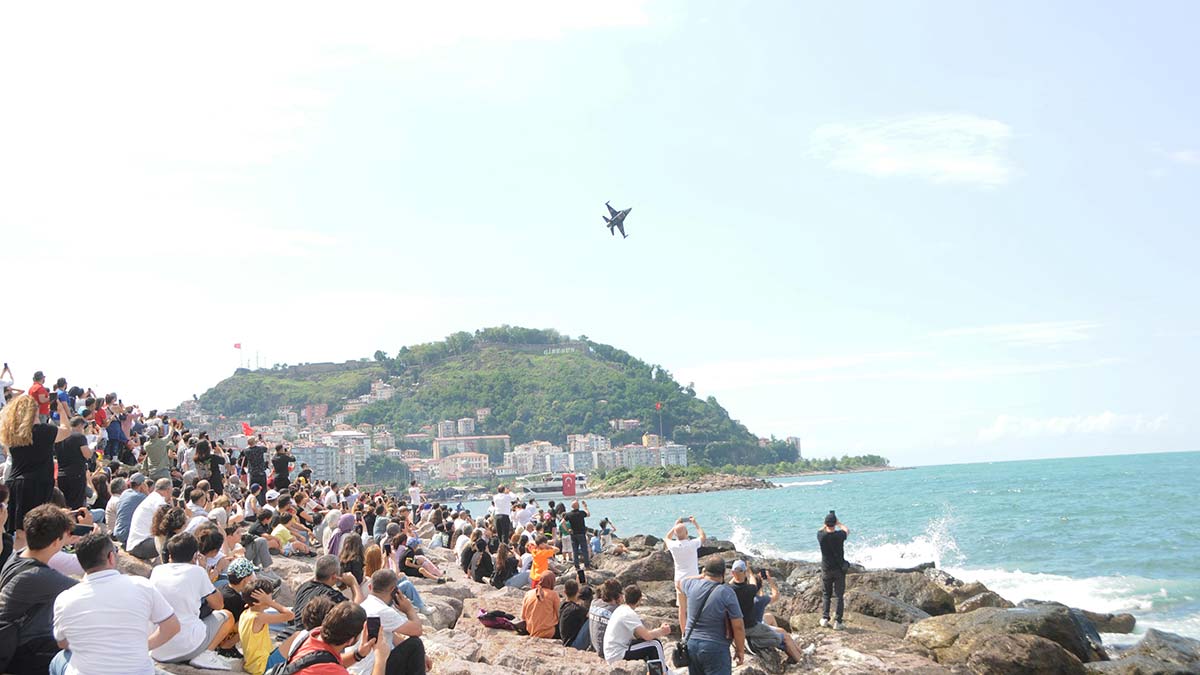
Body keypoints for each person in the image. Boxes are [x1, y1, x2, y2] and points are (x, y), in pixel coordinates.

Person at [51, 532, 182, 675]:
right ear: (111, 557)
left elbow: (62, 642)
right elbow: (172, 626)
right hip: (138, 670)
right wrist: (141, 647)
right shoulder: (141, 585)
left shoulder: (64, 599)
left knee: (59, 659)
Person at [0, 505, 78, 674]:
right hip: (23, 652)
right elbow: (87, 589)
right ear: (56, 542)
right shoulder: (39, 576)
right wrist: (91, 543)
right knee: (82, 652)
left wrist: (61, 536)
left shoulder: (18, 556)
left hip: (14, 642)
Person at [149, 532, 236, 668]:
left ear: (170, 555)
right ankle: (206, 654)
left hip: (157, 649)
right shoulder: (198, 572)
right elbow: (219, 604)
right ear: (195, 555)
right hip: (186, 647)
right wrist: (204, 572)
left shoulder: (157, 571)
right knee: (227, 616)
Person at [2, 396, 73, 536]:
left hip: (14, 483)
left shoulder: (11, 433)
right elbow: (66, 430)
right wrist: (61, 411)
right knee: (33, 531)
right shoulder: (43, 430)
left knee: (19, 532)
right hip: (36, 484)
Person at [350, 569, 424, 675]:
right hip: (372, 670)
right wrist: (409, 609)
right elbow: (417, 630)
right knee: (415, 644)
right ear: (393, 590)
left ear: (370, 587)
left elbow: (393, 638)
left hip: (358, 668)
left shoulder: (364, 606)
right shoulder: (383, 610)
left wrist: (423, 656)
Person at [681, 557, 746, 674]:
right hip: (715, 647)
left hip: (691, 644)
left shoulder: (691, 585)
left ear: (705, 570)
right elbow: (738, 626)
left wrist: (702, 576)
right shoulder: (726, 592)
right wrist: (740, 650)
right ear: (723, 573)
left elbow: (681, 582)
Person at [728, 561, 802, 662]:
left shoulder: (728, 590)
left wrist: (738, 575)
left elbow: (734, 584)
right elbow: (759, 586)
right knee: (780, 637)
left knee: (770, 617)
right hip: (751, 627)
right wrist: (751, 573)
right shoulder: (751, 591)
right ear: (745, 573)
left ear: (732, 573)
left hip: (735, 627)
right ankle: (753, 643)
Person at [283, 601, 374, 675]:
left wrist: (359, 654)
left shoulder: (313, 634)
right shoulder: (333, 671)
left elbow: (324, 661)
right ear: (350, 640)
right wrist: (380, 655)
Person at [603, 584, 672, 668]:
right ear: (639, 600)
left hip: (612, 652)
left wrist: (657, 631)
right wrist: (662, 631)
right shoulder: (628, 613)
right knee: (655, 644)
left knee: (648, 644)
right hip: (617, 654)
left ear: (624, 597)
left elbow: (639, 635)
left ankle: (654, 670)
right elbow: (647, 636)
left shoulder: (621, 609)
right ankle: (663, 672)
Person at [238, 578, 295, 675]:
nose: (271, 598)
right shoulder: (259, 617)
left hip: (252, 665)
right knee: (297, 635)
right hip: (262, 667)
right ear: (258, 602)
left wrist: (266, 601)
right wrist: (271, 603)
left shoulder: (246, 613)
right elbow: (290, 615)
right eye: (268, 597)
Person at [292, 554, 363, 630]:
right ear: (334, 576)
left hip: (295, 630)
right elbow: (356, 610)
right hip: (311, 633)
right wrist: (353, 583)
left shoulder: (303, 587)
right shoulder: (331, 595)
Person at [665, 515, 707, 633]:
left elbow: (666, 538)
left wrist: (675, 526)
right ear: (687, 533)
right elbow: (703, 537)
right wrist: (695, 523)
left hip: (679, 580)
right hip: (693, 579)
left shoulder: (673, 545)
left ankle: (684, 633)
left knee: (682, 609)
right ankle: (697, 631)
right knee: (696, 606)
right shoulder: (692, 544)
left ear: (675, 534)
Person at [126, 478, 172, 560]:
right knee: (176, 541)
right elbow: (171, 523)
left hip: (137, 543)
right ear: (168, 490)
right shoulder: (159, 501)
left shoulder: (153, 498)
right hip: (141, 544)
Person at [818, 510, 849, 630]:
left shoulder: (821, 536)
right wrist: (839, 523)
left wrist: (827, 523)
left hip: (826, 569)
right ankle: (838, 621)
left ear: (825, 523)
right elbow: (847, 530)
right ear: (835, 523)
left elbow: (821, 529)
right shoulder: (839, 535)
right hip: (839, 569)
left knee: (826, 594)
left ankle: (825, 618)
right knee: (839, 596)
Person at [53, 417, 92, 509]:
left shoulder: (59, 438)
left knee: (62, 503)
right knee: (76, 504)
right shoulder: (79, 437)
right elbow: (87, 454)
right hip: (76, 474)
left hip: (61, 474)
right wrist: (92, 449)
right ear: (80, 425)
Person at [520, 571, 560, 639]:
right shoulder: (553, 595)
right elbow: (558, 614)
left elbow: (523, 616)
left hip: (530, 630)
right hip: (548, 632)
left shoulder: (528, 593)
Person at [112, 472, 149, 546]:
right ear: (142, 485)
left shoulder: (125, 493)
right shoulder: (140, 497)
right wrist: (146, 491)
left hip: (118, 532)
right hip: (126, 534)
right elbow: (153, 505)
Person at [588, 578, 622, 655]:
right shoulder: (616, 610)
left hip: (596, 647)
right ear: (618, 595)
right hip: (607, 651)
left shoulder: (594, 602)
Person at [558, 578, 589, 650]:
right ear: (578, 592)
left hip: (565, 640)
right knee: (592, 619)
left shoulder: (563, 606)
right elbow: (588, 614)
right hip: (573, 644)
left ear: (564, 592)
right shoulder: (577, 609)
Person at [563, 499, 591, 568]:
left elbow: (562, 523)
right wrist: (585, 506)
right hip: (581, 533)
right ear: (578, 506)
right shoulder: (581, 513)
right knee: (584, 550)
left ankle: (577, 566)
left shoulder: (568, 514)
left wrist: (567, 530)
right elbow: (588, 514)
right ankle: (587, 565)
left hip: (573, 534)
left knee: (575, 550)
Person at [242, 441, 268, 506]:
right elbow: (266, 448)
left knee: (253, 490)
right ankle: (262, 504)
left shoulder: (247, 451)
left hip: (253, 473)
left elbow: (244, 451)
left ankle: (254, 503)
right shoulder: (260, 449)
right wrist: (261, 441)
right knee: (263, 490)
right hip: (261, 472)